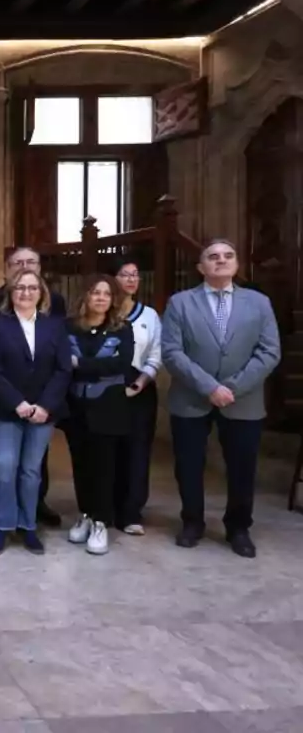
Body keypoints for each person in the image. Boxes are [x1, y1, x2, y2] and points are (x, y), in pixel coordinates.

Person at [162, 239, 281, 558]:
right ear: (201, 267)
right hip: (191, 398)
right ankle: (192, 522)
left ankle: (238, 527)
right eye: (213, 257)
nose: (221, 260)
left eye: (228, 256)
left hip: (243, 401)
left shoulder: (259, 303)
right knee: (188, 465)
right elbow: (172, 352)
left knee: (242, 467)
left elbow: (270, 352)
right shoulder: (180, 303)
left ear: (237, 264)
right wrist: (209, 387)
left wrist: (233, 387)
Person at [0, 269, 71, 556]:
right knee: (4, 467)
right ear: (11, 292)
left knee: (31, 471)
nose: (26, 293)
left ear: (41, 293)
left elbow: (63, 369)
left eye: (32, 288)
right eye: (20, 287)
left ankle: (28, 525)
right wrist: (16, 402)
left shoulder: (55, 326)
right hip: (7, 408)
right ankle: (1, 526)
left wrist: (45, 405)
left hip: (44, 411)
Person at [63, 275, 134, 556]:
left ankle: (102, 522)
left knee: (104, 468)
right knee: (81, 465)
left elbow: (121, 364)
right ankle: (85, 514)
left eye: (106, 293)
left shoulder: (122, 329)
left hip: (109, 407)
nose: (101, 298)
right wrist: (97, 366)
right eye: (95, 292)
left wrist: (80, 363)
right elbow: (62, 363)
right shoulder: (69, 327)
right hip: (76, 408)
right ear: (85, 297)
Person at [113, 259, 162, 536]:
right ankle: (105, 507)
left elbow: (156, 353)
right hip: (107, 390)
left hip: (140, 389)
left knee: (137, 451)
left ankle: (132, 511)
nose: (131, 280)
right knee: (109, 450)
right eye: (124, 274)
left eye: (135, 275)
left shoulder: (150, 315)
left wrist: (141, 382)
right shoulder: (103, 310)